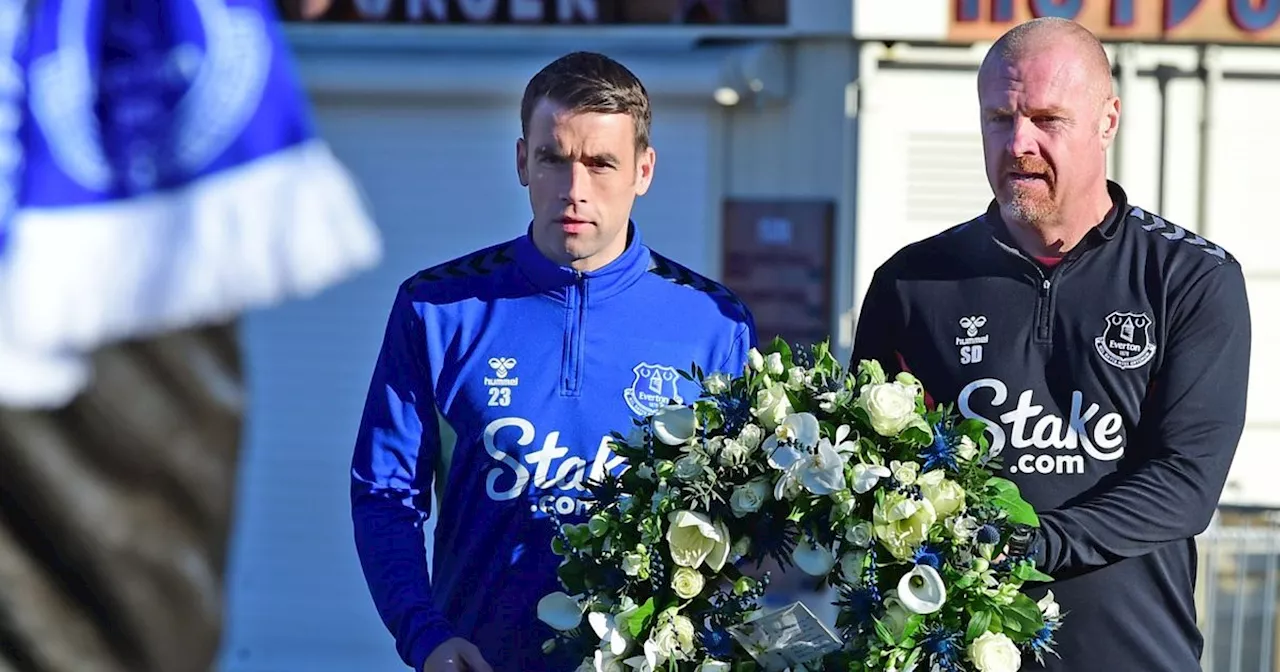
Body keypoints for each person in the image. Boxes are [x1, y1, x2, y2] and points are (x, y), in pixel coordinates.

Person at [849, 17, 1250, 672]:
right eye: (1000, 118)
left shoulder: (1191, 278)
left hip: (1131, 657)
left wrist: (1036, 541)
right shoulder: (911, 284)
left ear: (1107, 120)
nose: (1018, 144)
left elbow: (1186, 483)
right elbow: (867, 471)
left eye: (1046, 119)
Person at [349, 51, 757, 672]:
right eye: (553, 159)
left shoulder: (712, 323)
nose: (575, 189)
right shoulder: (437, 308)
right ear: (521, 161)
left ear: (643, 171)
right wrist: (424, 635)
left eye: (601, 164)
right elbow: (385, 494)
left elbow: (737, 523)